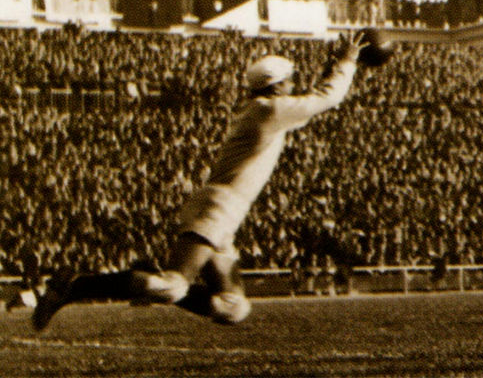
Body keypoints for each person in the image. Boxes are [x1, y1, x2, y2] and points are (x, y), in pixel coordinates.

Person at [33, 33, 365, 331]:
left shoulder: (264, 110)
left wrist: (332, 66)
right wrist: (348, 62)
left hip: (225, 212)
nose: (294, 87)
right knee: (172, 286)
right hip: (219, 206)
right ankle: (76, 286)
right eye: (290, 81)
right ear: (277, 85)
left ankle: (141, 274)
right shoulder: (268, 110)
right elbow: (327, 99)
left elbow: (311, 101)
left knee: (232, 308)